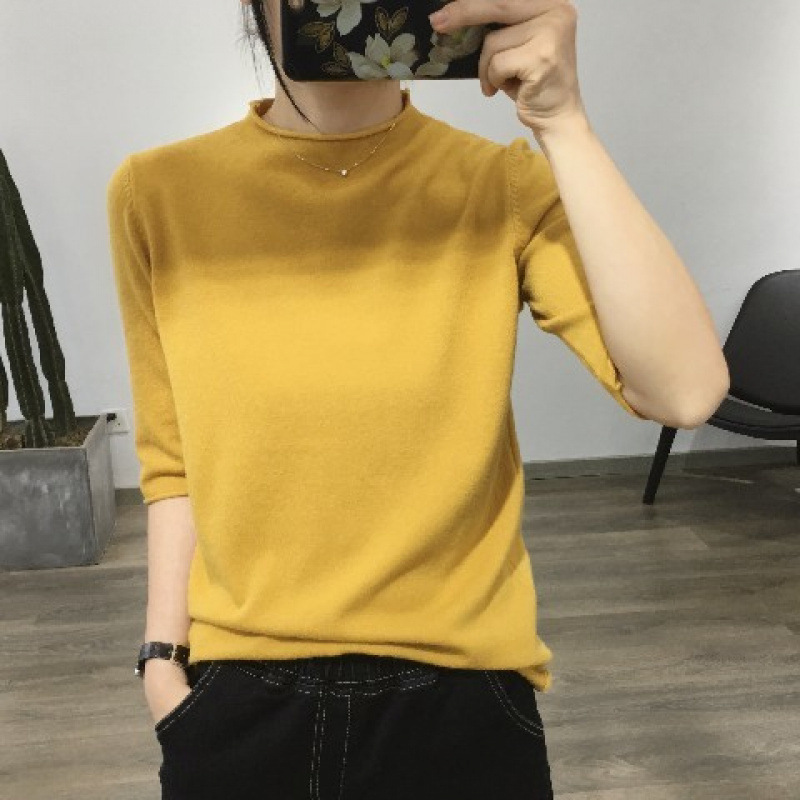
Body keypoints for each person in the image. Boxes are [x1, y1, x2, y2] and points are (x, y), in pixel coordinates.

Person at [106, 1, 729, 798]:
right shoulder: (157, 192)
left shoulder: (498, 184)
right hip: (238, 697)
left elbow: (685, 388)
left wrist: (564, 122)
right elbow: (172, 461)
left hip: (460, 696)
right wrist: (162, 663)